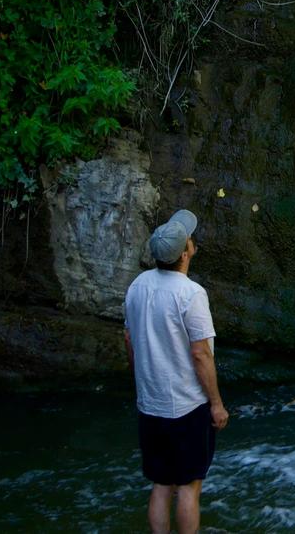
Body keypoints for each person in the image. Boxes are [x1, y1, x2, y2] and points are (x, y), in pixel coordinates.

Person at [124, 209, 229, 534]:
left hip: (150, 404)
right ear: (185, 253)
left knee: (160, 484)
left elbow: (129, 339)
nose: (192, 239)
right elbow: (200, 354)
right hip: (186, 406)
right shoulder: (190, 293)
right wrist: (216, 403)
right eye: (189, 238)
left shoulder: (137, 286)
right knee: (188, 486)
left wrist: (140, 379)